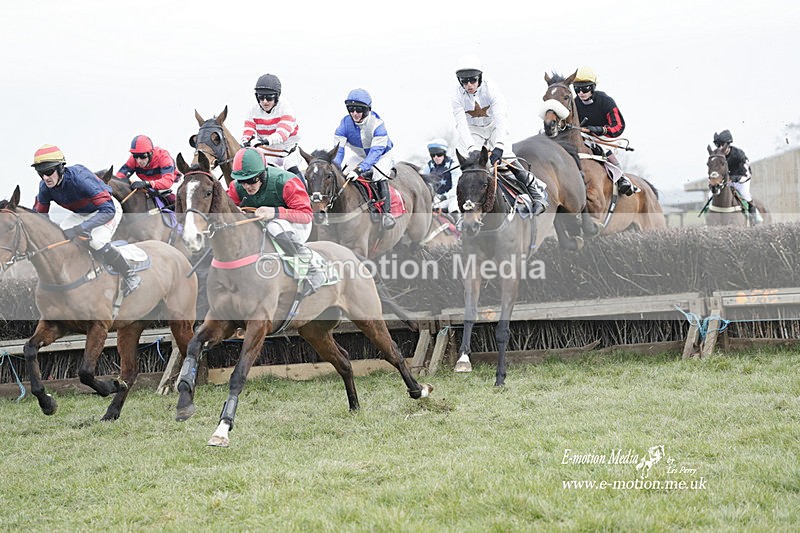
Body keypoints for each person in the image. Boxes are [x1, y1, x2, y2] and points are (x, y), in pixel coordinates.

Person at [31, 144, 142, 295]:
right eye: (41, 173)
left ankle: (130, 275)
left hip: (107, 209)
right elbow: (40, 217)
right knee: (59, 238)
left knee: (96, 241)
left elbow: (108, 210)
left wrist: (81, 228)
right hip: (81, 213)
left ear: (60, 168)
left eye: (49, 172)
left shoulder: (80, 179)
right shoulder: (45, 187)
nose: (45, 178)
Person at [451, 54, 546, 215]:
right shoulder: (456, 96)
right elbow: (461, 125)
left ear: (479, 77)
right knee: (468, 165)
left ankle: (536, 193)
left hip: (494, 127)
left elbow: (501, 119)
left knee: (507, 159)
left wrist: (499, 146)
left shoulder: (492, 89)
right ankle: (460, 207)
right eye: (464, 81)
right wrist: (472, 148)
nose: (469, 85)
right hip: (473, 131)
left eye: (472, 80)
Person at [226, 147, 324, 295]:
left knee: (274, 225)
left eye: (251, 180)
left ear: (263, 174)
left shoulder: (287, 182)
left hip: (296, 225)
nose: (246, 186)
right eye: (242, 181)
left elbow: (306, 215)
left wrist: (275, 212)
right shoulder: (235, 187)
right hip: (262, 225)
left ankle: (312, 269)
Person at [333, 88, 397, 229]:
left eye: (359, 110)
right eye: (351, 109)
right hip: (361, 156)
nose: (354, 113)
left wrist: (359, 170)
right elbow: (339, 151)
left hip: (381, 156)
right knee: (343, 173)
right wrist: (334, 167)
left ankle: (387, 214)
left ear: (367, 109)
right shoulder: (344, 124)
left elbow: (375, 154)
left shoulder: (378, 125)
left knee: (378, 175)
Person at [571, 66, 636, 195]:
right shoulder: (574, 103)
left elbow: (618, 125)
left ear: (593, 87)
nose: (581, 93)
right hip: (583, 136)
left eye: (585, 89)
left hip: (605, 138)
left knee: (602, 149)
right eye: (577, 89)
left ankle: (622, 179)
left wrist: (601, 130)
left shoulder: (605, 101)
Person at [241, 73, 305, 181]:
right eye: (261, 97)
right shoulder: (253, 110)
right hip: (268, 151)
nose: (265, 101)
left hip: (288, 150)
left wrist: (264, 141)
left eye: (269, 97)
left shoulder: (286, 108)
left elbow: (282, 134)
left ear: (277, 96)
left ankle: (305, 196)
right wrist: (245, 141)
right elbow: (248, 130)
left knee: (290, 166)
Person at [713, 129, 763, 225]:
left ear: (728, 144)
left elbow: (747, 174)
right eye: (718, 146)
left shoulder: (739, 154)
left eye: (721, 145)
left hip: (741, 180)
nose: (720, 148)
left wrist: (734, 179)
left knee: (745, 195)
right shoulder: (718, 156)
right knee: (711, 195)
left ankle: (756, 220)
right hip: (725, 181)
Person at [115, 134, 179, 204]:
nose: (139, 160)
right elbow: (118, 178)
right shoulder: (133, 160)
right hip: (151, 186)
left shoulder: (163, 156)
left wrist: (147, 183)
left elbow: (167, 182)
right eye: (135, 156)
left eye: (142, 156)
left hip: (172, 184)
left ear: (151, 153)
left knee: (174, 201)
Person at [425, 138, 461, 214]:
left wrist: (444, 197)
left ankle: (459, 225)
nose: (436, 158)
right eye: (433, 155)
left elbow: (457, 187)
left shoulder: (453, 165)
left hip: (451, 198)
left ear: (444, 153)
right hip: (435, 200)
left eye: (439, 154)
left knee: (453, 207)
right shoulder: (428, 166)